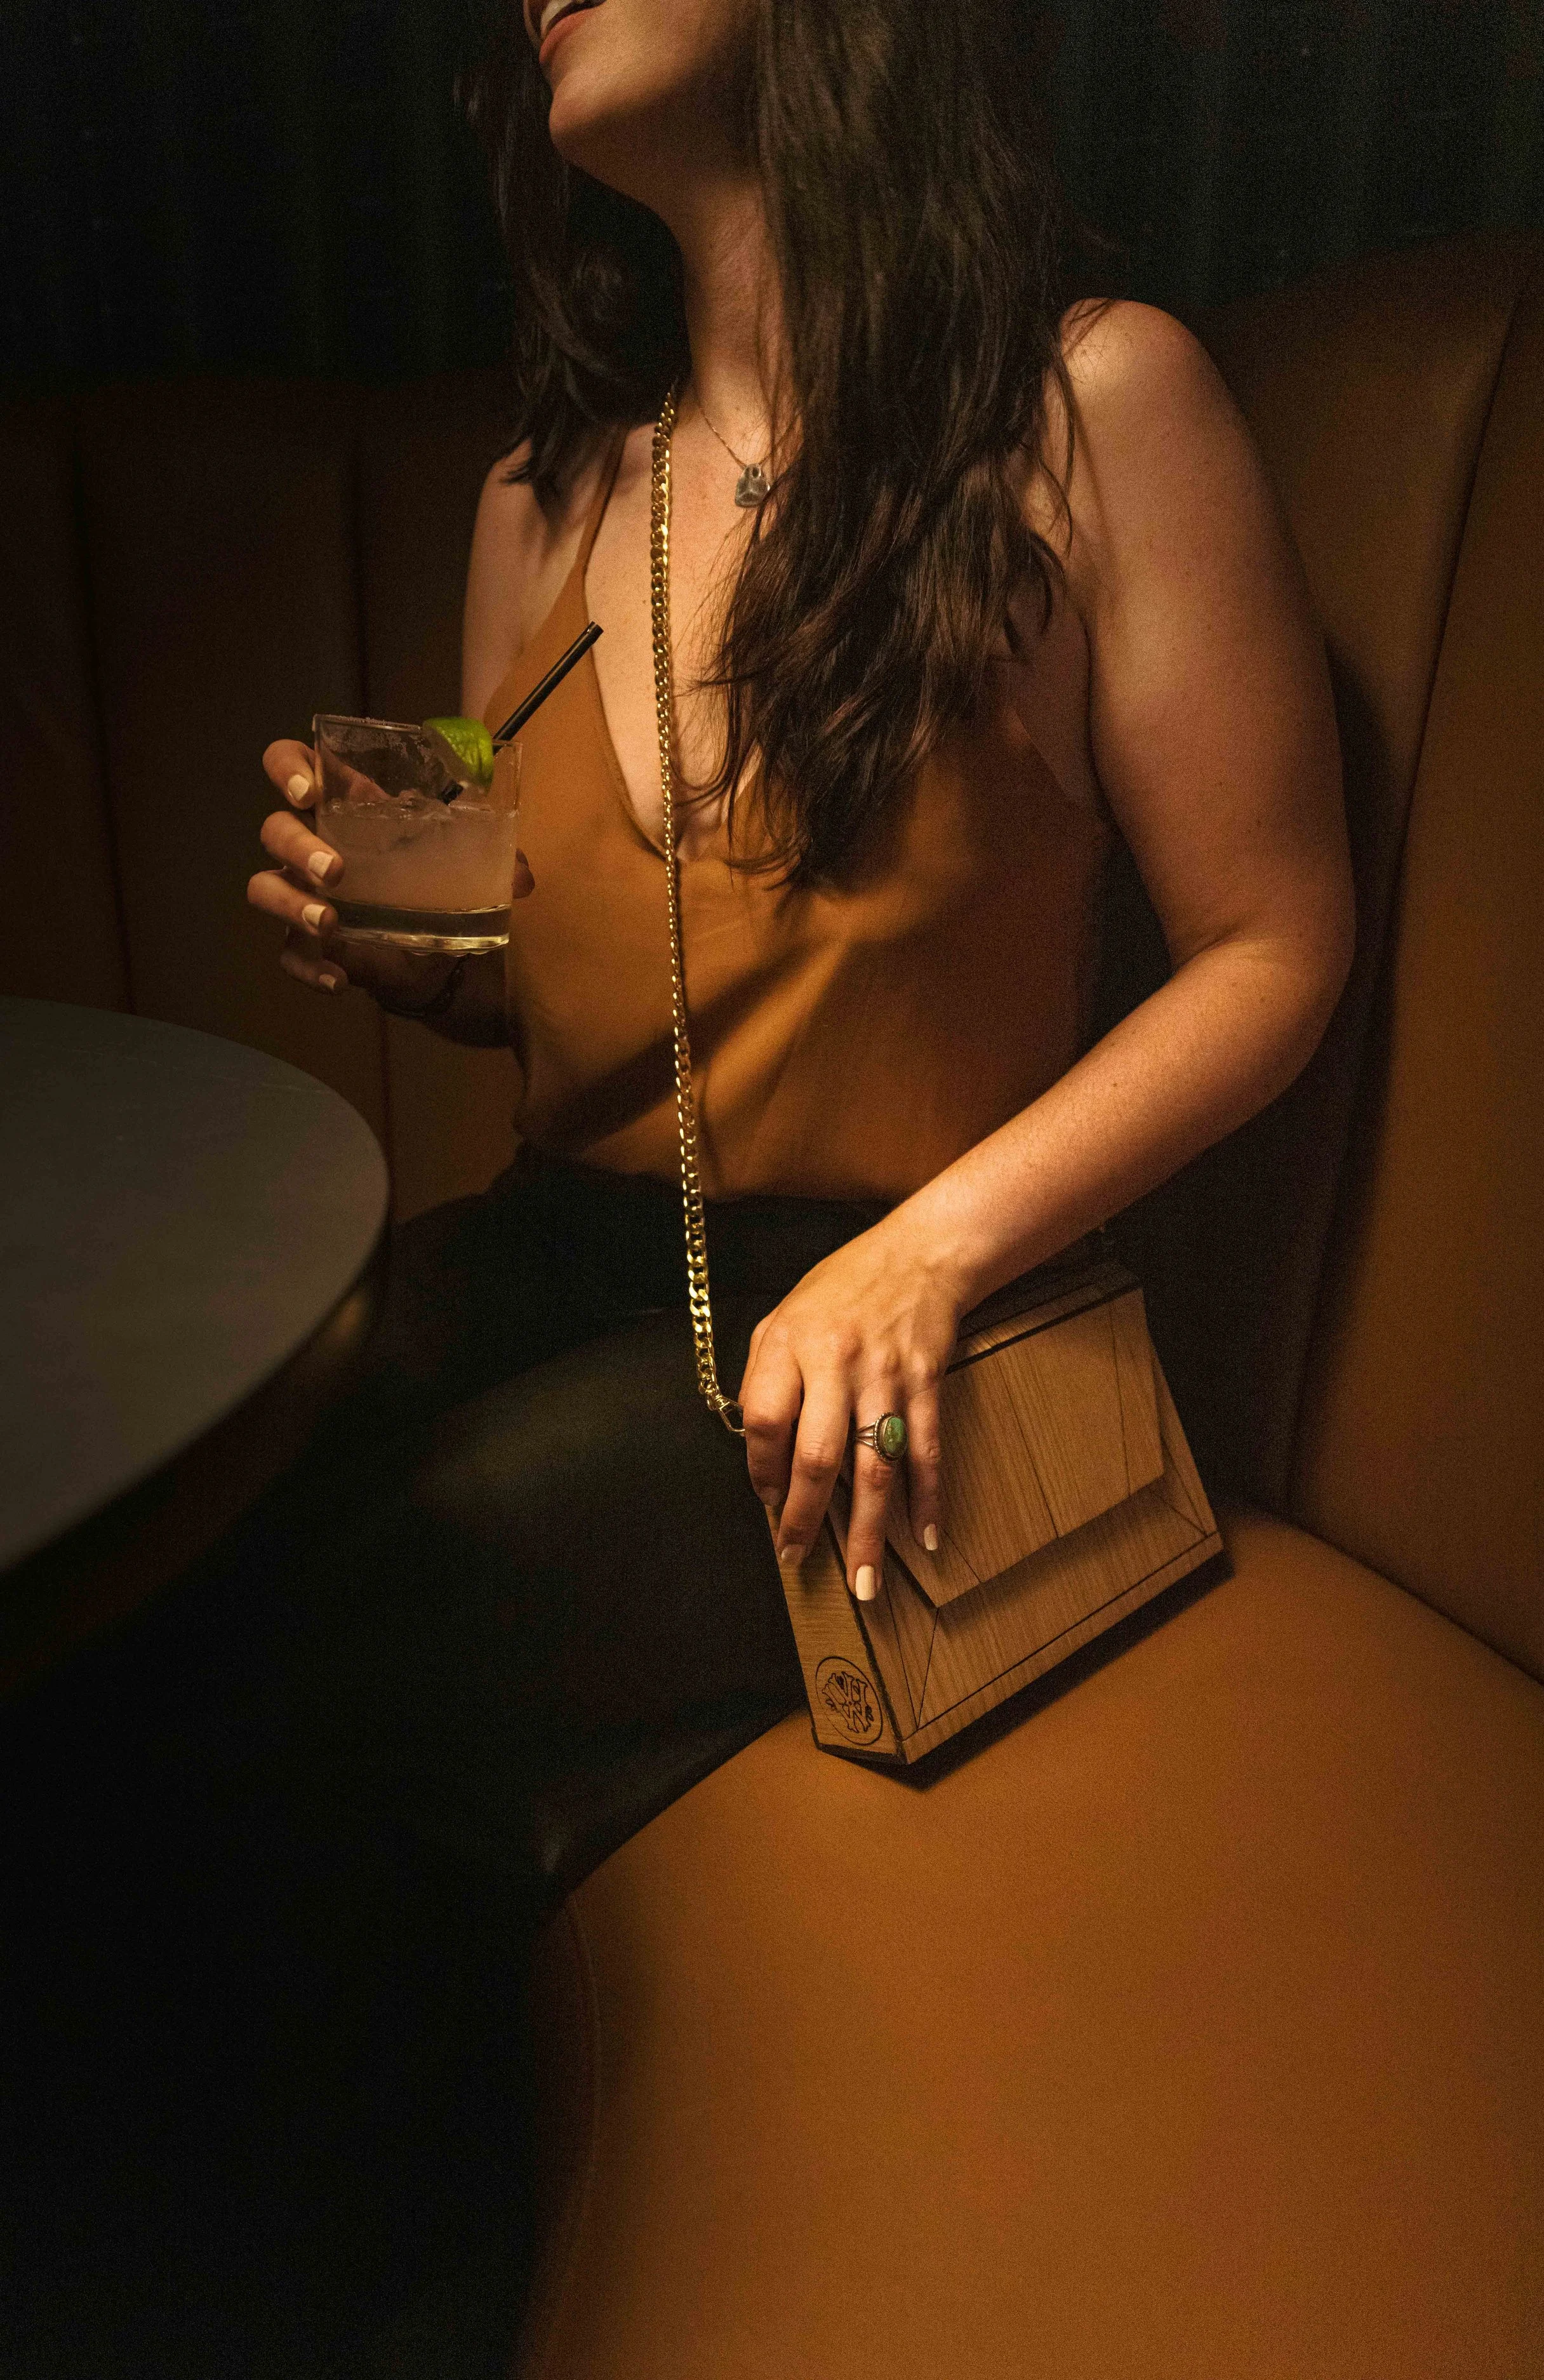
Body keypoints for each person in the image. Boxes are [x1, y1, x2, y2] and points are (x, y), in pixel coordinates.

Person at [230, 0, 1352, 2347]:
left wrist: (938, 1250)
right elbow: (570, 971)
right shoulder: (538, 502)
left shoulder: (1085, 405)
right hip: (564, 1259)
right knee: (192, 1530)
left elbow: (1275, 940)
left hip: (879, 1312)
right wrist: (404, 937)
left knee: (347, 1668)